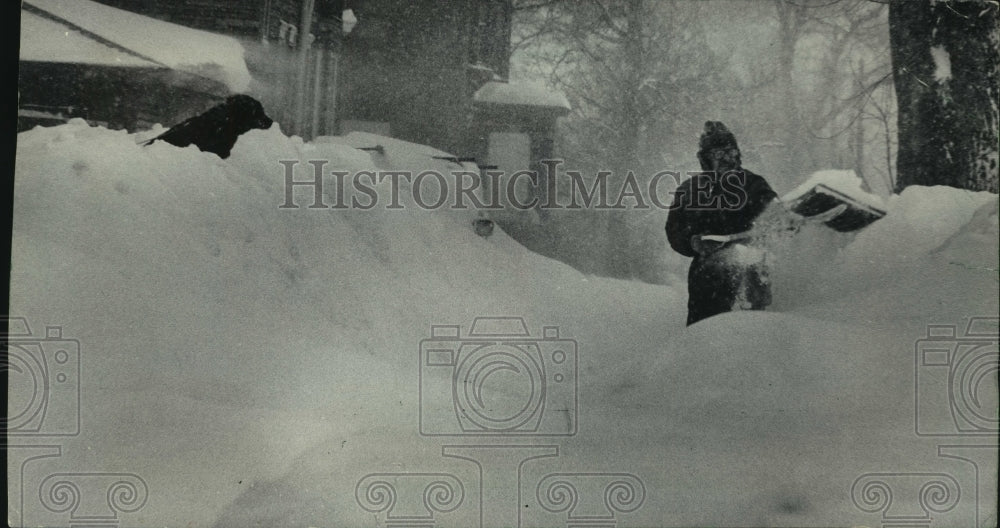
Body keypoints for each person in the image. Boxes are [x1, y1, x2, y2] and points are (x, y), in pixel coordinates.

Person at [665, 121, 785, 326]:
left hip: (750, 277)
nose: (727, 159)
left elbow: (776, 217)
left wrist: (768, 229)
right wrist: (692, 242)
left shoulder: (754, 184)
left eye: (731, 153)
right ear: (706, 159)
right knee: (703, 339)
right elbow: (674, 230)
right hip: (706, 285)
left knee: (754, 336)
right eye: (718, 154)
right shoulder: (690, 190)